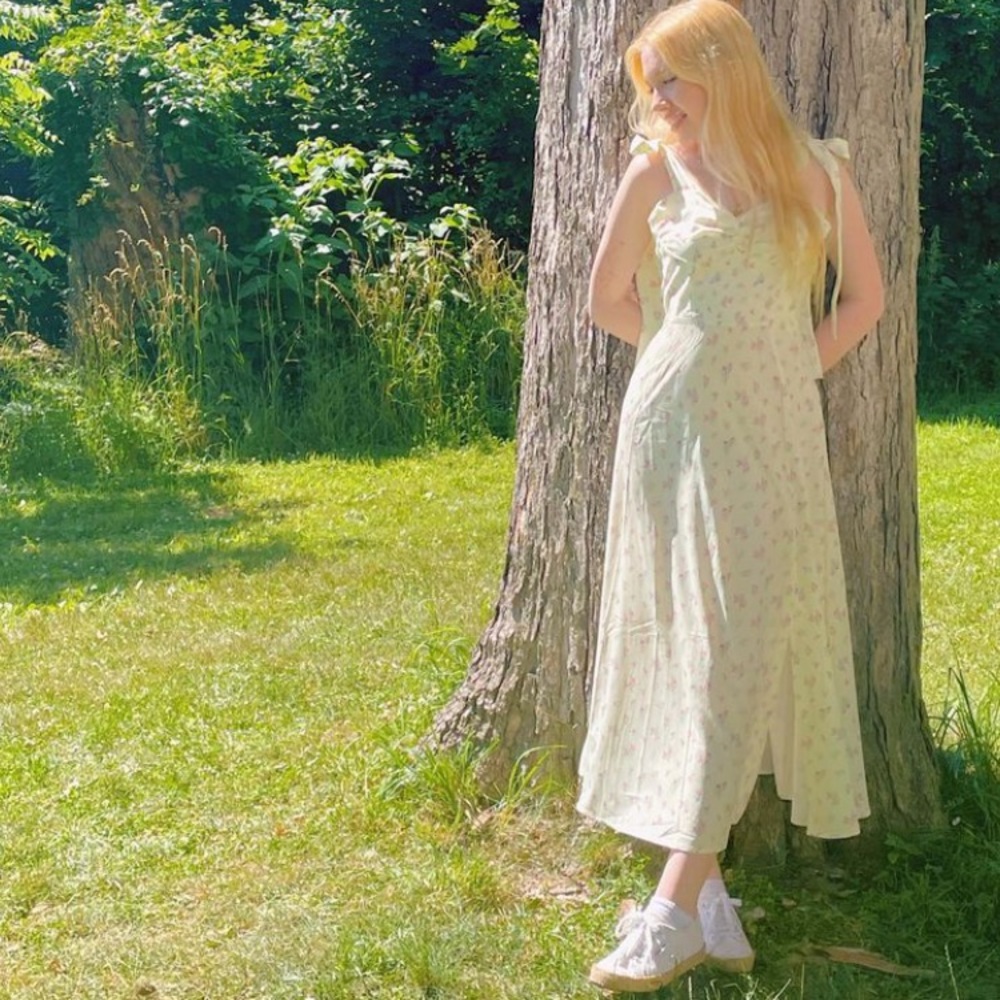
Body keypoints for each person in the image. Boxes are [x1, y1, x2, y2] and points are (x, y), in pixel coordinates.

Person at [575, 0, 884, 992]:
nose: (656, 99)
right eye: (646, 83)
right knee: (695, 644)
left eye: (669, 76)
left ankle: (680, 901)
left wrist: (788, 368)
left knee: (742, 645)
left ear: (724, 67)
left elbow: (863, 301)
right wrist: (687, 362)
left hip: (775, 440)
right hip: (672, 439)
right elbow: (607, 300)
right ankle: (691, 901)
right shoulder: (653, 173)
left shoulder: (815, 168)